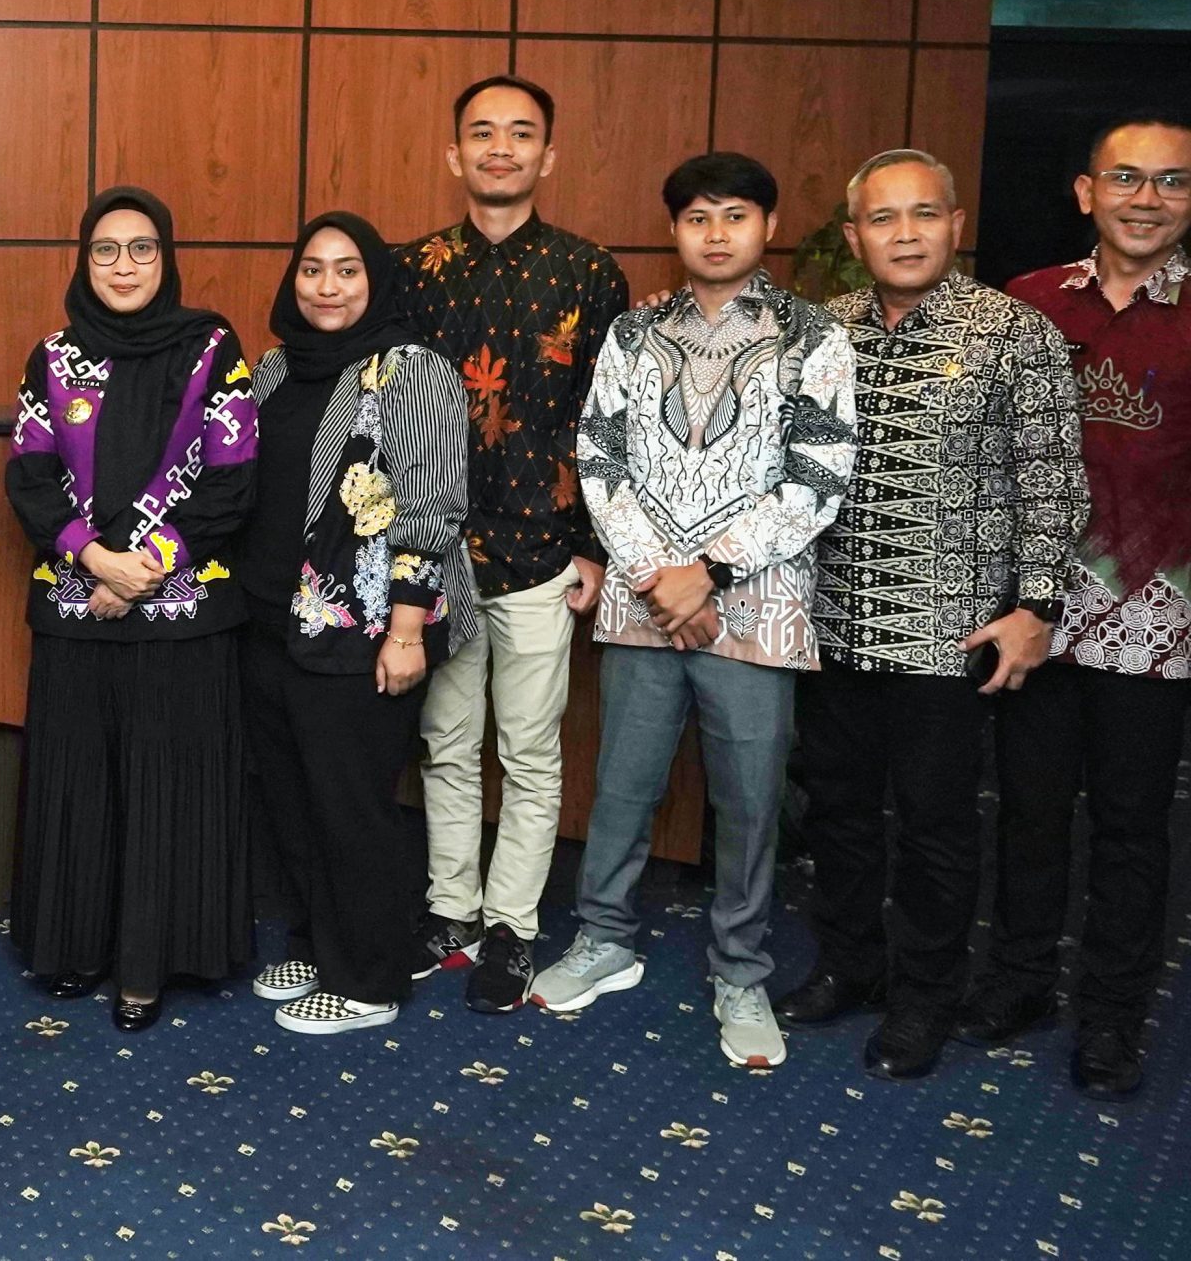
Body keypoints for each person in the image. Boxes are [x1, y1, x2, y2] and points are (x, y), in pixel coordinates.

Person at [536, 152, 856, 1072]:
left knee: (750, 801)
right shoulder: (634, 332)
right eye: (698, 218)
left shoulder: (814, 336)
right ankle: (603, 936)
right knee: (623, 784)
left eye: (736, 215)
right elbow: (599, 457)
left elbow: (819, 475)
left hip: (760, 605)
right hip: (644, 601)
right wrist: (658, 576)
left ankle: (742, 970)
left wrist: (707, 573)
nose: (717, 233)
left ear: (767, 227)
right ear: (675, 230)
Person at [778, 150, 1086, 1080]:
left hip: (946, 631)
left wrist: (1037, 605)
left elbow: (1052, 480)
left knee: (935, 825)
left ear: (956, 224)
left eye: (923, 214)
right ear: (853, 236)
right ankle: (850, 964)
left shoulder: (1014, 333)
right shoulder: (822, 332)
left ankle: (925, 995)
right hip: (832, 620)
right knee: (836, 811)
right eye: (882, 218)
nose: (904, 233)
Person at [397, 74, 630, 1013]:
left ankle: (511, 926)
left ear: (548, 154)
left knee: (530, 752)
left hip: (543, 549)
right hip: (437, 554)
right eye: (483, 132)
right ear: (454, 153)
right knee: (446, 743)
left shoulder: (590, 272)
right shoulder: (410, 269)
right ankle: (450, 910)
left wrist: (595, 545)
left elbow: (610, 421)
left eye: (521, 133)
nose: (501, 147)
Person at [972, 114, 1191, 1099]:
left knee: (1132, 826)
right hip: (1036, 609)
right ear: (1086, 191)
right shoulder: (1023, 304)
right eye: (1127, 177)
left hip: (1158, 616)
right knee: (1025, 809)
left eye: (1172, 181)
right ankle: (1019, 982)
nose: (1147, 199)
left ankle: (1111, 1016)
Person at [4, 188, 258, 1031]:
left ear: (166, 256)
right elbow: (29, 476)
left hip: (183, 616)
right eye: (105, 249)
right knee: (82, 783)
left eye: (141, 248)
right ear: (84, 261)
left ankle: (147, 965)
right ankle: (76, 945)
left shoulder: (212, 349)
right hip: (76, 608)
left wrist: (142, 567)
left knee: (163, 789)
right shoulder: (52, 357)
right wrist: (95, 558)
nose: (123, 266)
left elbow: (231, 480)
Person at [238, 212, 476, 1037]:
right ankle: (317, 944)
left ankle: (369, 979)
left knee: (351, 805)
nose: (327, 286)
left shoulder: (413, 369)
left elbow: (434, 505)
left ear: (375, 280)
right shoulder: (275, 368)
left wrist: (407, 630)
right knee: (294, 798)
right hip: (272, 618)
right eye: (312, 268)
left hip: (367, 624)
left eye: (347, 270)